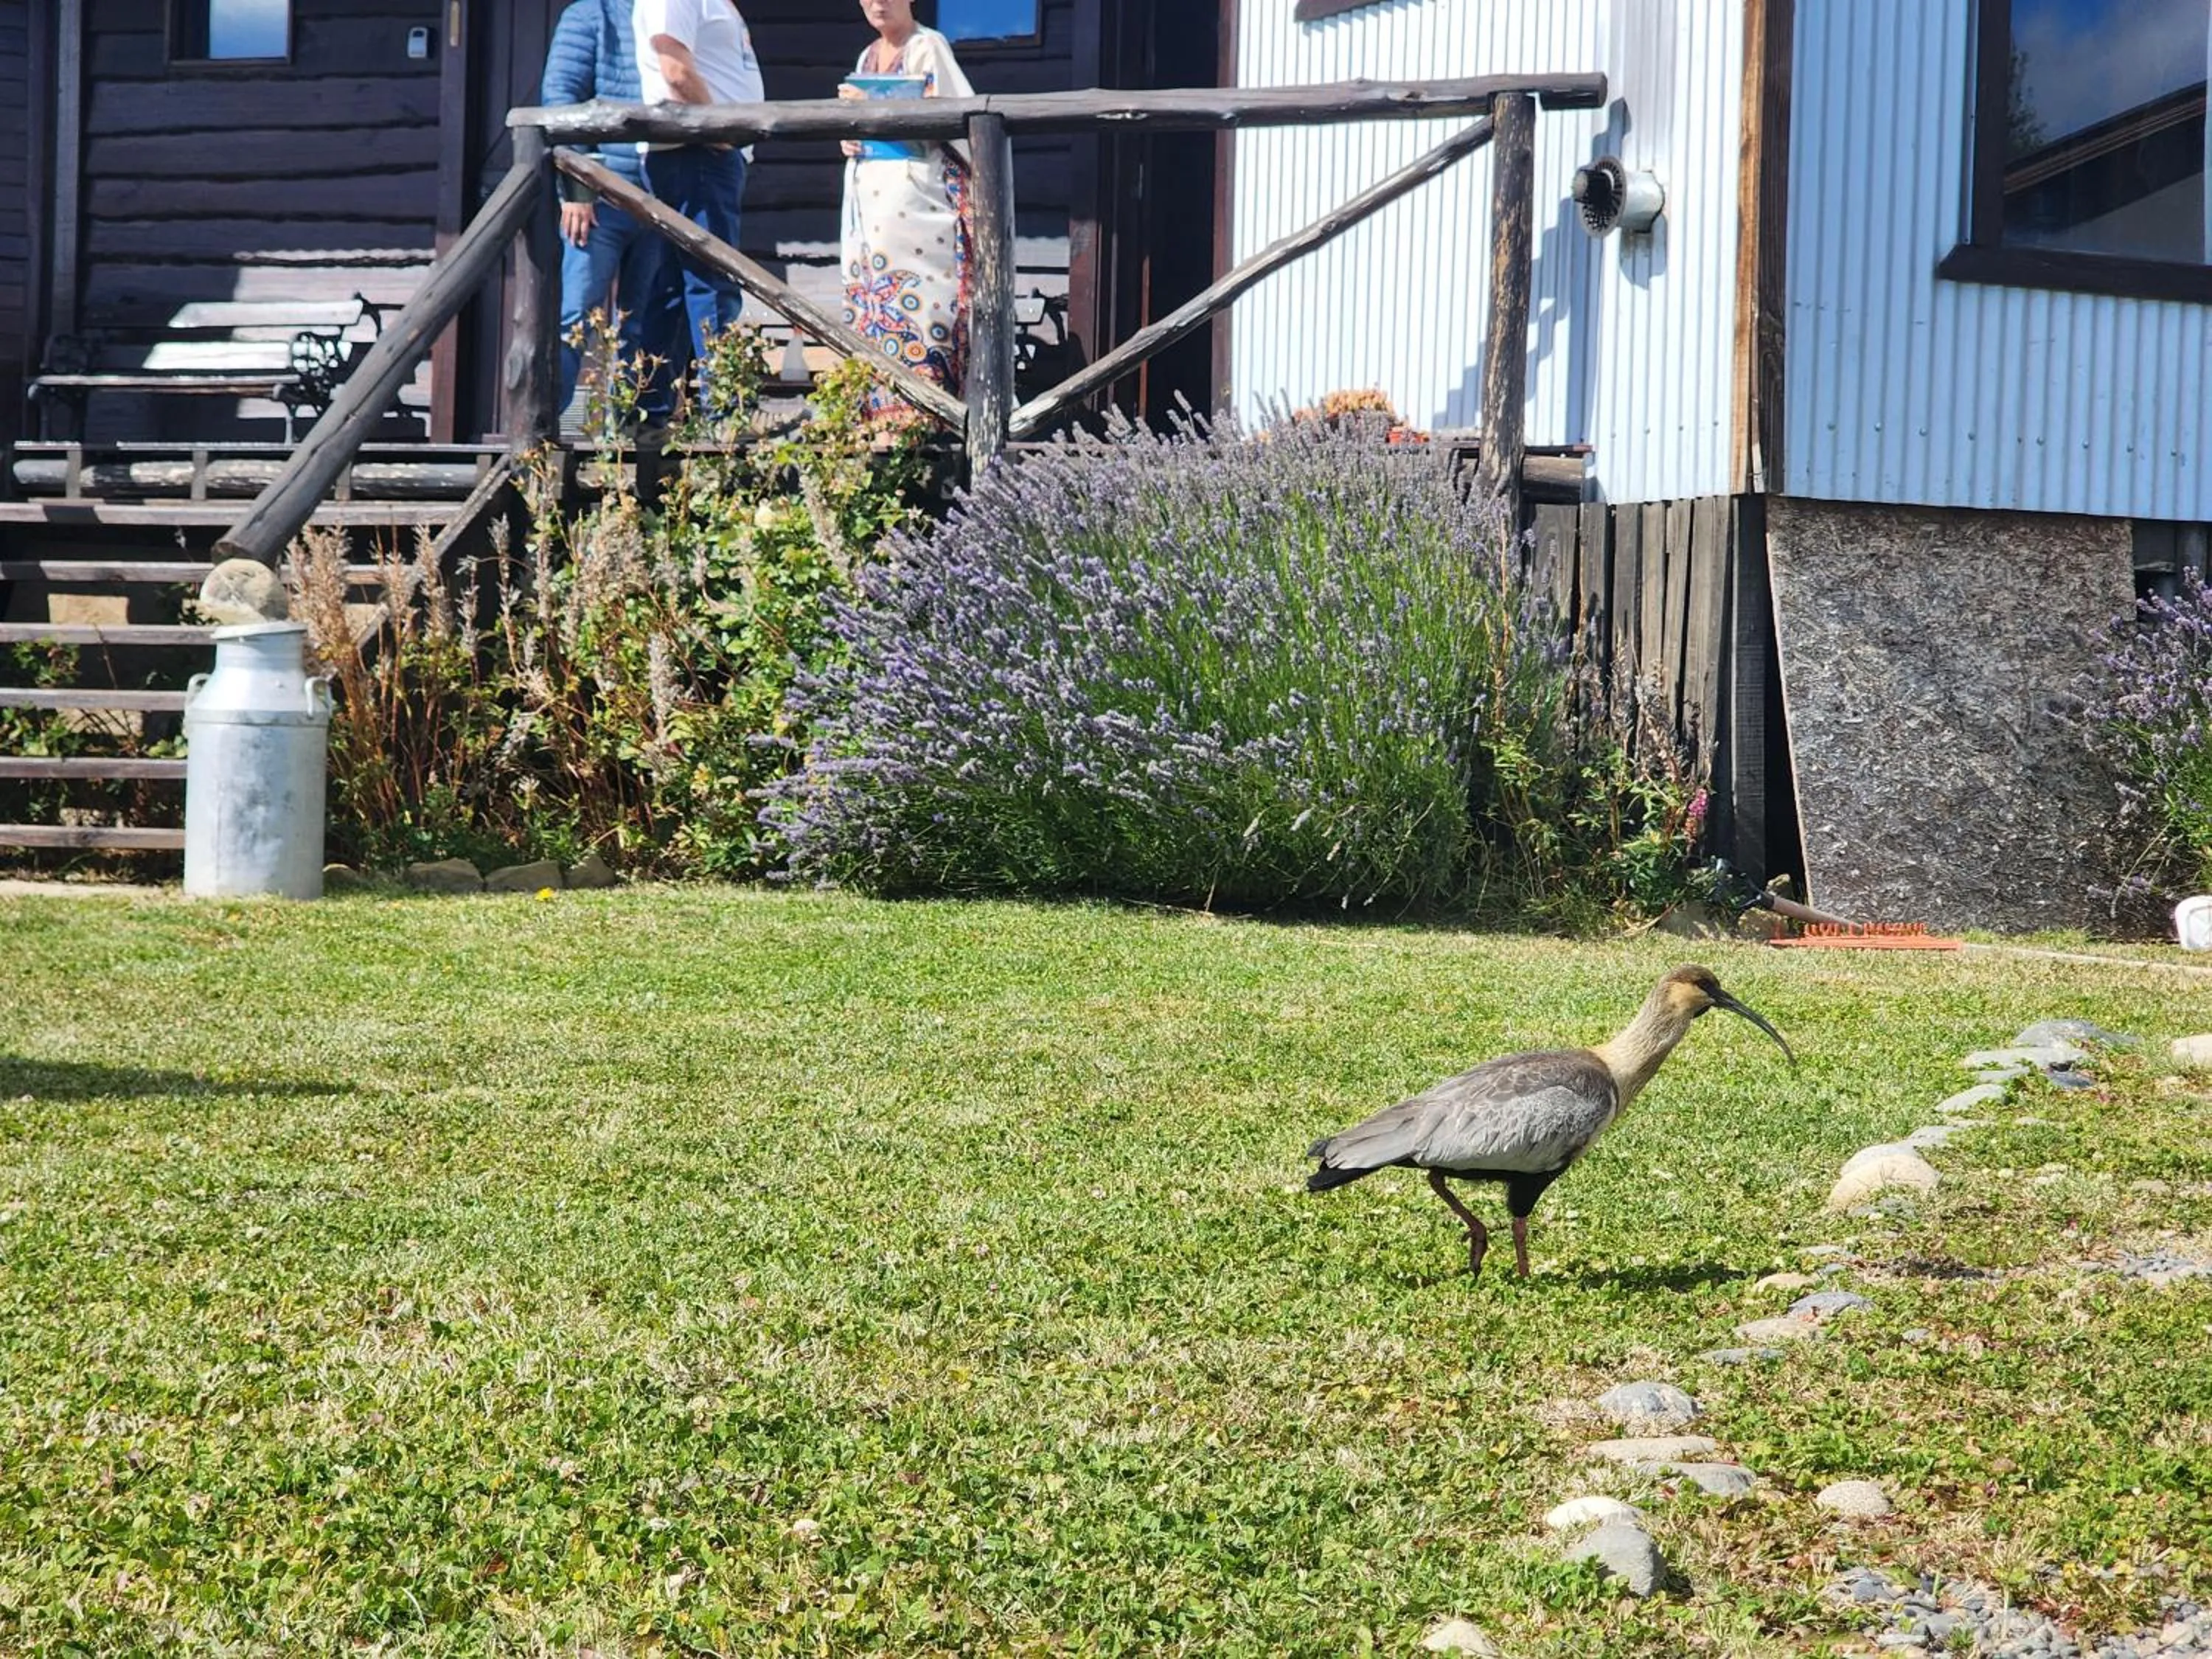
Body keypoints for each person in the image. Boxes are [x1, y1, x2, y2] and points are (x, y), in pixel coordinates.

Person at [542, 0, 682, 425]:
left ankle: (627, 430)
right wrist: (577, 188)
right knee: (576, 317)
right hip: (599, 198)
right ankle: (553, 427)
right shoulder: (589, 16)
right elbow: (560, 100)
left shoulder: (671, 13)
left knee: (641, 321)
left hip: (656, 195)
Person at [838, 0, 976, 409]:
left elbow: (955, 118)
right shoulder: (867, 55)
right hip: (871, 201)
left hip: (915, 204)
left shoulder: (927, 46)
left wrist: (876, 110)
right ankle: (879, 414)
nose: (877, 3)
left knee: (921, 307)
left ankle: (926, 414)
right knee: (874, 302)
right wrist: (850, 134)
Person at [633, 0, 762, 383]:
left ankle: (649, 414)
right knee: (713, 277)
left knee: (674, 287)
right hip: (697, 150)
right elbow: (676, 71)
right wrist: (719, 131)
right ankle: (724, 413)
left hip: (706, 151)